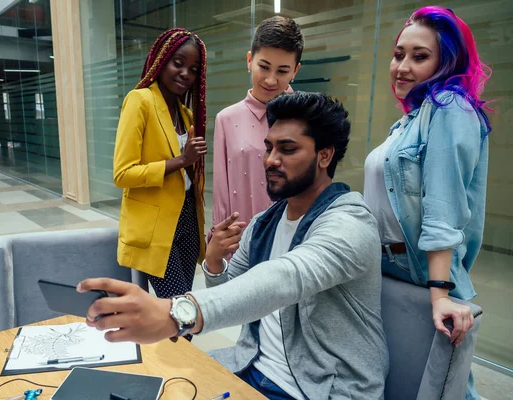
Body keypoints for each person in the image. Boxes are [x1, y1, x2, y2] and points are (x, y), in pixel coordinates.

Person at [79, 92, 389, 399]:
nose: (271, 160)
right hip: (250, 368)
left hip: (319, 390)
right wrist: (213, 262)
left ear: (324, 155)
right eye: (268, 148)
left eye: (288, 149)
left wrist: (177, 313)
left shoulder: (350, 223)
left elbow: (286, 278)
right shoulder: (266, 222)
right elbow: (235, 291)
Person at [363, 6, 491, 399]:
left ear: (445, 63)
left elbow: (443, 207)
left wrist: (439, 294)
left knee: (440, 388)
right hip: (391, 273)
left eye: (420, 57)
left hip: (420, 276)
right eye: (399, 53)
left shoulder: (449, 108)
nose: (401, 66)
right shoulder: (408, 121)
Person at [113, 28, 208, 302]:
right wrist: (181, 161)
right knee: (180, 313)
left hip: (188, 218)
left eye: (193, 68)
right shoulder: (139, 101)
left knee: (184, 305)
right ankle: (169, 346)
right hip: (155, 225)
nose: (185, 74)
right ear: (160, 60)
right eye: (178, 63)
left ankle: (167, 348)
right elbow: (123, 174)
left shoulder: (187, 114)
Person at [210, 16, 303, 240]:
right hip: (241, 240)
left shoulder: (307, 115)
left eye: (282, 71)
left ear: (295, 71)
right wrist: (218, 240)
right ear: (250, 60)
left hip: (295, 238)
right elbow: (222, 191)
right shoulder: (226, 119)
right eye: (264, 66)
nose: (271, 80)